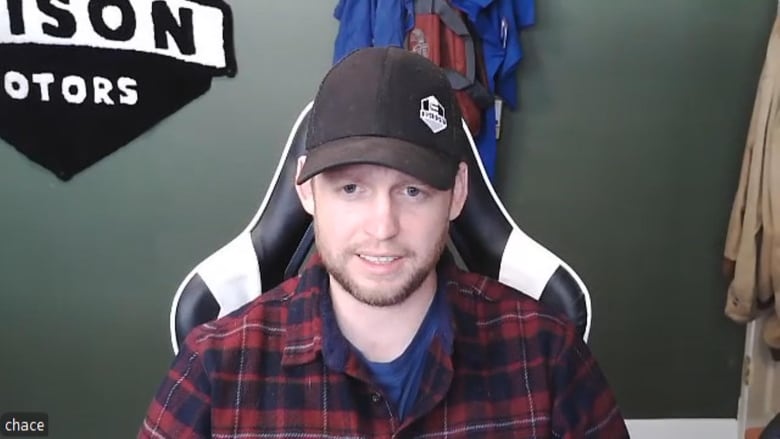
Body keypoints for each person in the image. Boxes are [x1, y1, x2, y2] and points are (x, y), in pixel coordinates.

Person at [137, 46, 630, 439]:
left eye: (412, 191)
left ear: (457, 193)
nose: (382, 227)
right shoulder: (214, 371)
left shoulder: (548, 358)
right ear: (307, 189)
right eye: (351, 189)